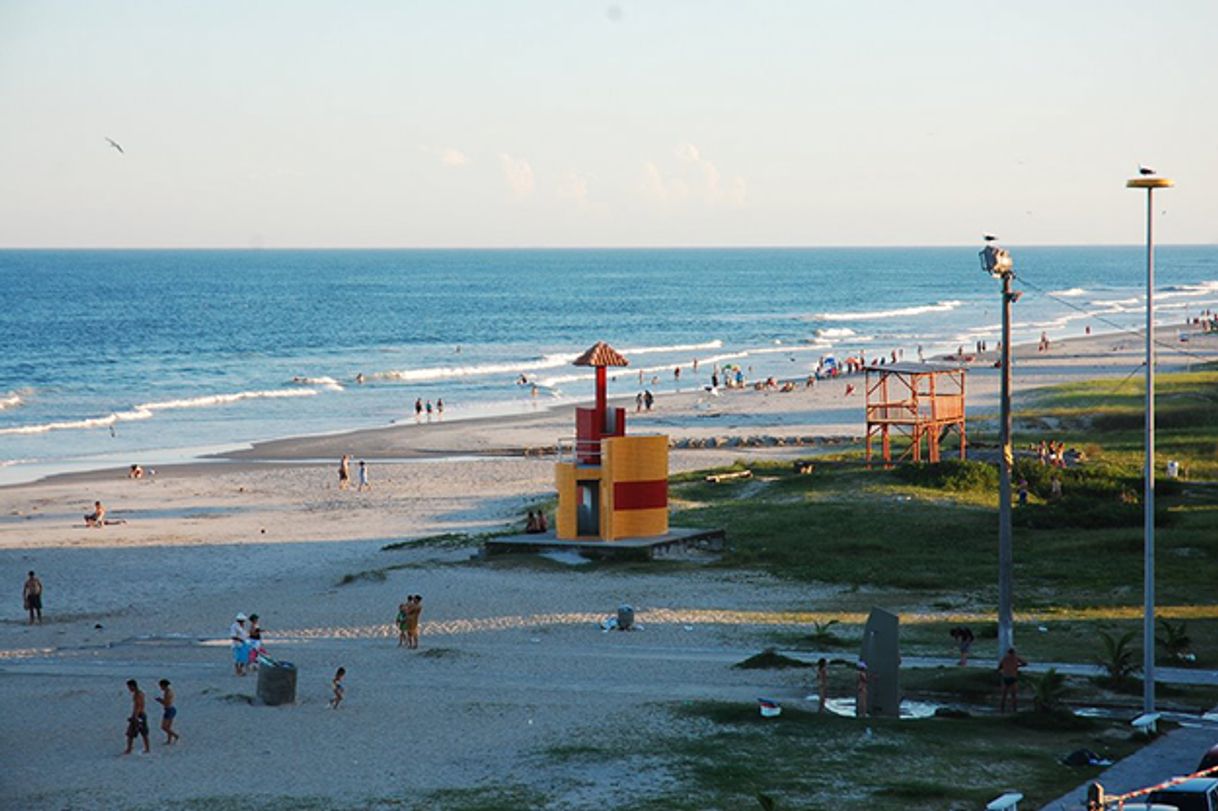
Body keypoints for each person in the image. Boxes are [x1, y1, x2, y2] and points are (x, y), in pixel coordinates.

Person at [124, 679, 151, 754]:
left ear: (132, 686)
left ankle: (129, 749)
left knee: (130, 734)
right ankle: (147, 748)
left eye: (129, 687)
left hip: (138, 715)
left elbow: (138, 706)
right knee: (144, 733)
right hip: (142, 714)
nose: (129, 689)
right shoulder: (141, 693)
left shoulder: (137, 695)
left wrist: (134, 716)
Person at [998, 647, 1028, 713]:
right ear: (1014, 653)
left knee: (1003, 695)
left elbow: (999, 667)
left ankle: (1001, 709)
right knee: (1014, 695)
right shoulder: (1016, 658)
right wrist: (1017, 666)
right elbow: (1025, 663)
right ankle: (1014, 709)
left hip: (1005, 677)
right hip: (1013, 677)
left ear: (1008, 652)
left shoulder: (1004, 658)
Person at [155, 679, 180, 745]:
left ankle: (176, 735)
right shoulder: (169, 691)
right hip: (171, 709)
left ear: (163, 685)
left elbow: (166, 703)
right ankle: (169, 740)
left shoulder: (167, 692)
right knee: (168, 727)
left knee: (164, 727)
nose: (160, 688)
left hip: (169, 710)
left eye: (160, 686)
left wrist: (159, 700)